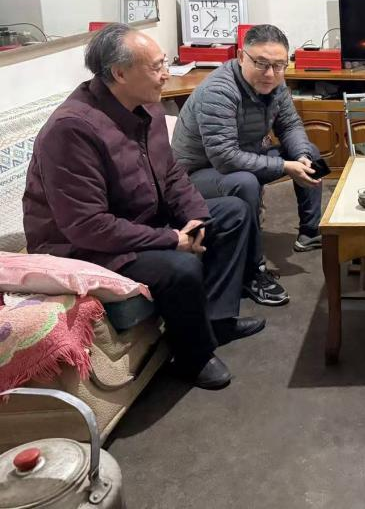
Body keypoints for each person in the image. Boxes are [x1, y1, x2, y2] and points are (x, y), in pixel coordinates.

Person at [23, 25, 264, 390]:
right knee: (180, 267)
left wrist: (195, 218)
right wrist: (171, 239)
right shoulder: (71, 129)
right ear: (119, 74)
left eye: (164, 63)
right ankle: (193, 356)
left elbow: (171, 174)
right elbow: (87, 226)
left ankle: (218, 321)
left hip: (138, 220)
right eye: (156, 67)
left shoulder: (146, 105)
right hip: (83, 247)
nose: (166, 74)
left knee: (232, 213)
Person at [172, 24, 327, 307]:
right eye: (261, 64)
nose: (270, 74)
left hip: (245, 156)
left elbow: (290, 125)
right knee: (245, 182)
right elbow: (225, 157)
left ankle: (310, 232)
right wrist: (284, 167)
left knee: (310, 153)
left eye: (279, 65)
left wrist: (301, 156)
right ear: (241, 56)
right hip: (198, 173)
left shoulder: (276, 84)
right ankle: (253, 270)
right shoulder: (219, 91)